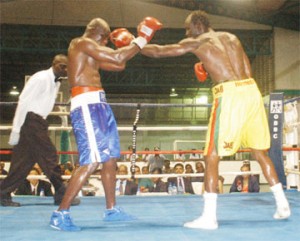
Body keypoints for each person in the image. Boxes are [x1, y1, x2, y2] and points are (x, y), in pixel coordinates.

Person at [141, 10, 290, 229]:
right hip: (251, 91)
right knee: (259, 152)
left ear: (196, 26)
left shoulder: (198, 41)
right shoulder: (232, 38)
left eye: (187, 28)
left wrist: (139, 40)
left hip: (229, 96)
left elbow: (160, 52)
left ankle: (209, 218)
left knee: (211, 155)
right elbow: (247, 70)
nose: (186, 32)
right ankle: (282, 204)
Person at [49, 17, 162, 231]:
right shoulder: (81, 43)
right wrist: (142, 38)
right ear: (97, 33)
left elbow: (119, 64)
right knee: (91, 161)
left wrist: (131, 45)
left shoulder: (92, 51)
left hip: (99, 104)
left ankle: (111, 210)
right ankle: (60, 214)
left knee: (110, 158)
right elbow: (117, 56)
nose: (107, 44)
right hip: (86, 106)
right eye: (105, 40)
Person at [0, 54, 80, 207]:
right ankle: (61, 193)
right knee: (50, 156)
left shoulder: (56, 83)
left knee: (22, 164)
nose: (64, 69)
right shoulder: (41, 78)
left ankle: (2, 193)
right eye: (61, 66)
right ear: (54, 64)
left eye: (66, 67)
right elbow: (23, 100)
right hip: (31, 122)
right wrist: (15, 129)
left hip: (38, 122)